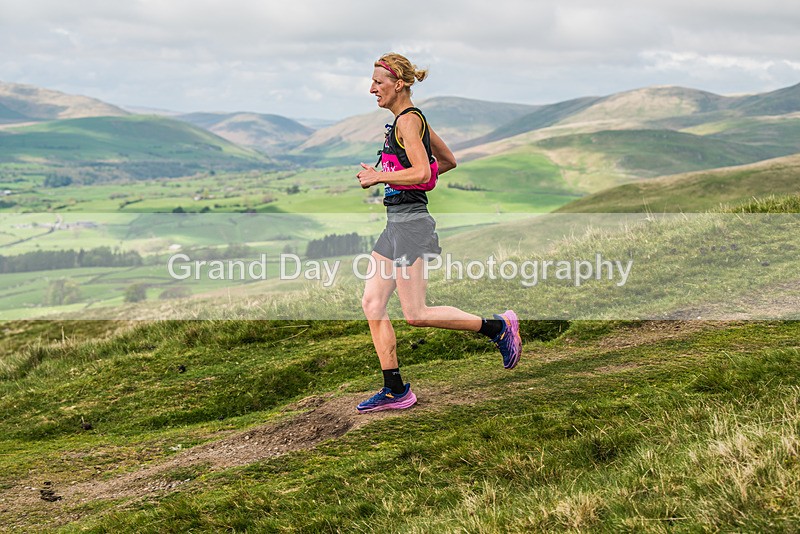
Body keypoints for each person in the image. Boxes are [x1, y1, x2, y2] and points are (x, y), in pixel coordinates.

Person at [355, 53, 521, 413]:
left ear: (398, 83)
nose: (372, 89)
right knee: (372, 303)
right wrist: (407, 179)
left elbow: (420, 172)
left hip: (411, 224)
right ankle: (395, 389)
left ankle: (498, 328)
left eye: (378, 83)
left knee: (415, 312)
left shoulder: (409, 123)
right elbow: (445, 162)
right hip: (396, 223)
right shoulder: (407, 121)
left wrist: (381, 176)